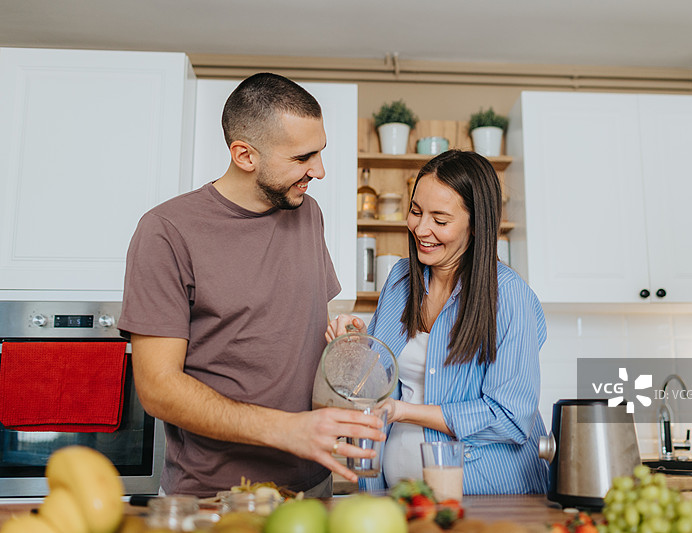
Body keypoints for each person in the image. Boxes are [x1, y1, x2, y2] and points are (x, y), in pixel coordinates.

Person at [118, 73, 384, 498]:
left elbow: (297, 323)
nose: (318, 170)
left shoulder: (307, 212)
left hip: (313, 481)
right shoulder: (166, 231)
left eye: (321, 152)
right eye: (303, 157)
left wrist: (339, 340)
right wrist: (286, 429)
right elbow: (157, 388)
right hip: (216, 495)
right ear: (244, 155)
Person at [327, 150, 550, 494]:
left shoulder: (508, 296)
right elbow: (370, 389)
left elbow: (510, 418)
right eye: (415, 211)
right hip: (396, 495)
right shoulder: (402, 279)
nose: (421, 228)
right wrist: (353, 347)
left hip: (485, 496)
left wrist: (405, 411)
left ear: (475, 225)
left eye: (440, 220)